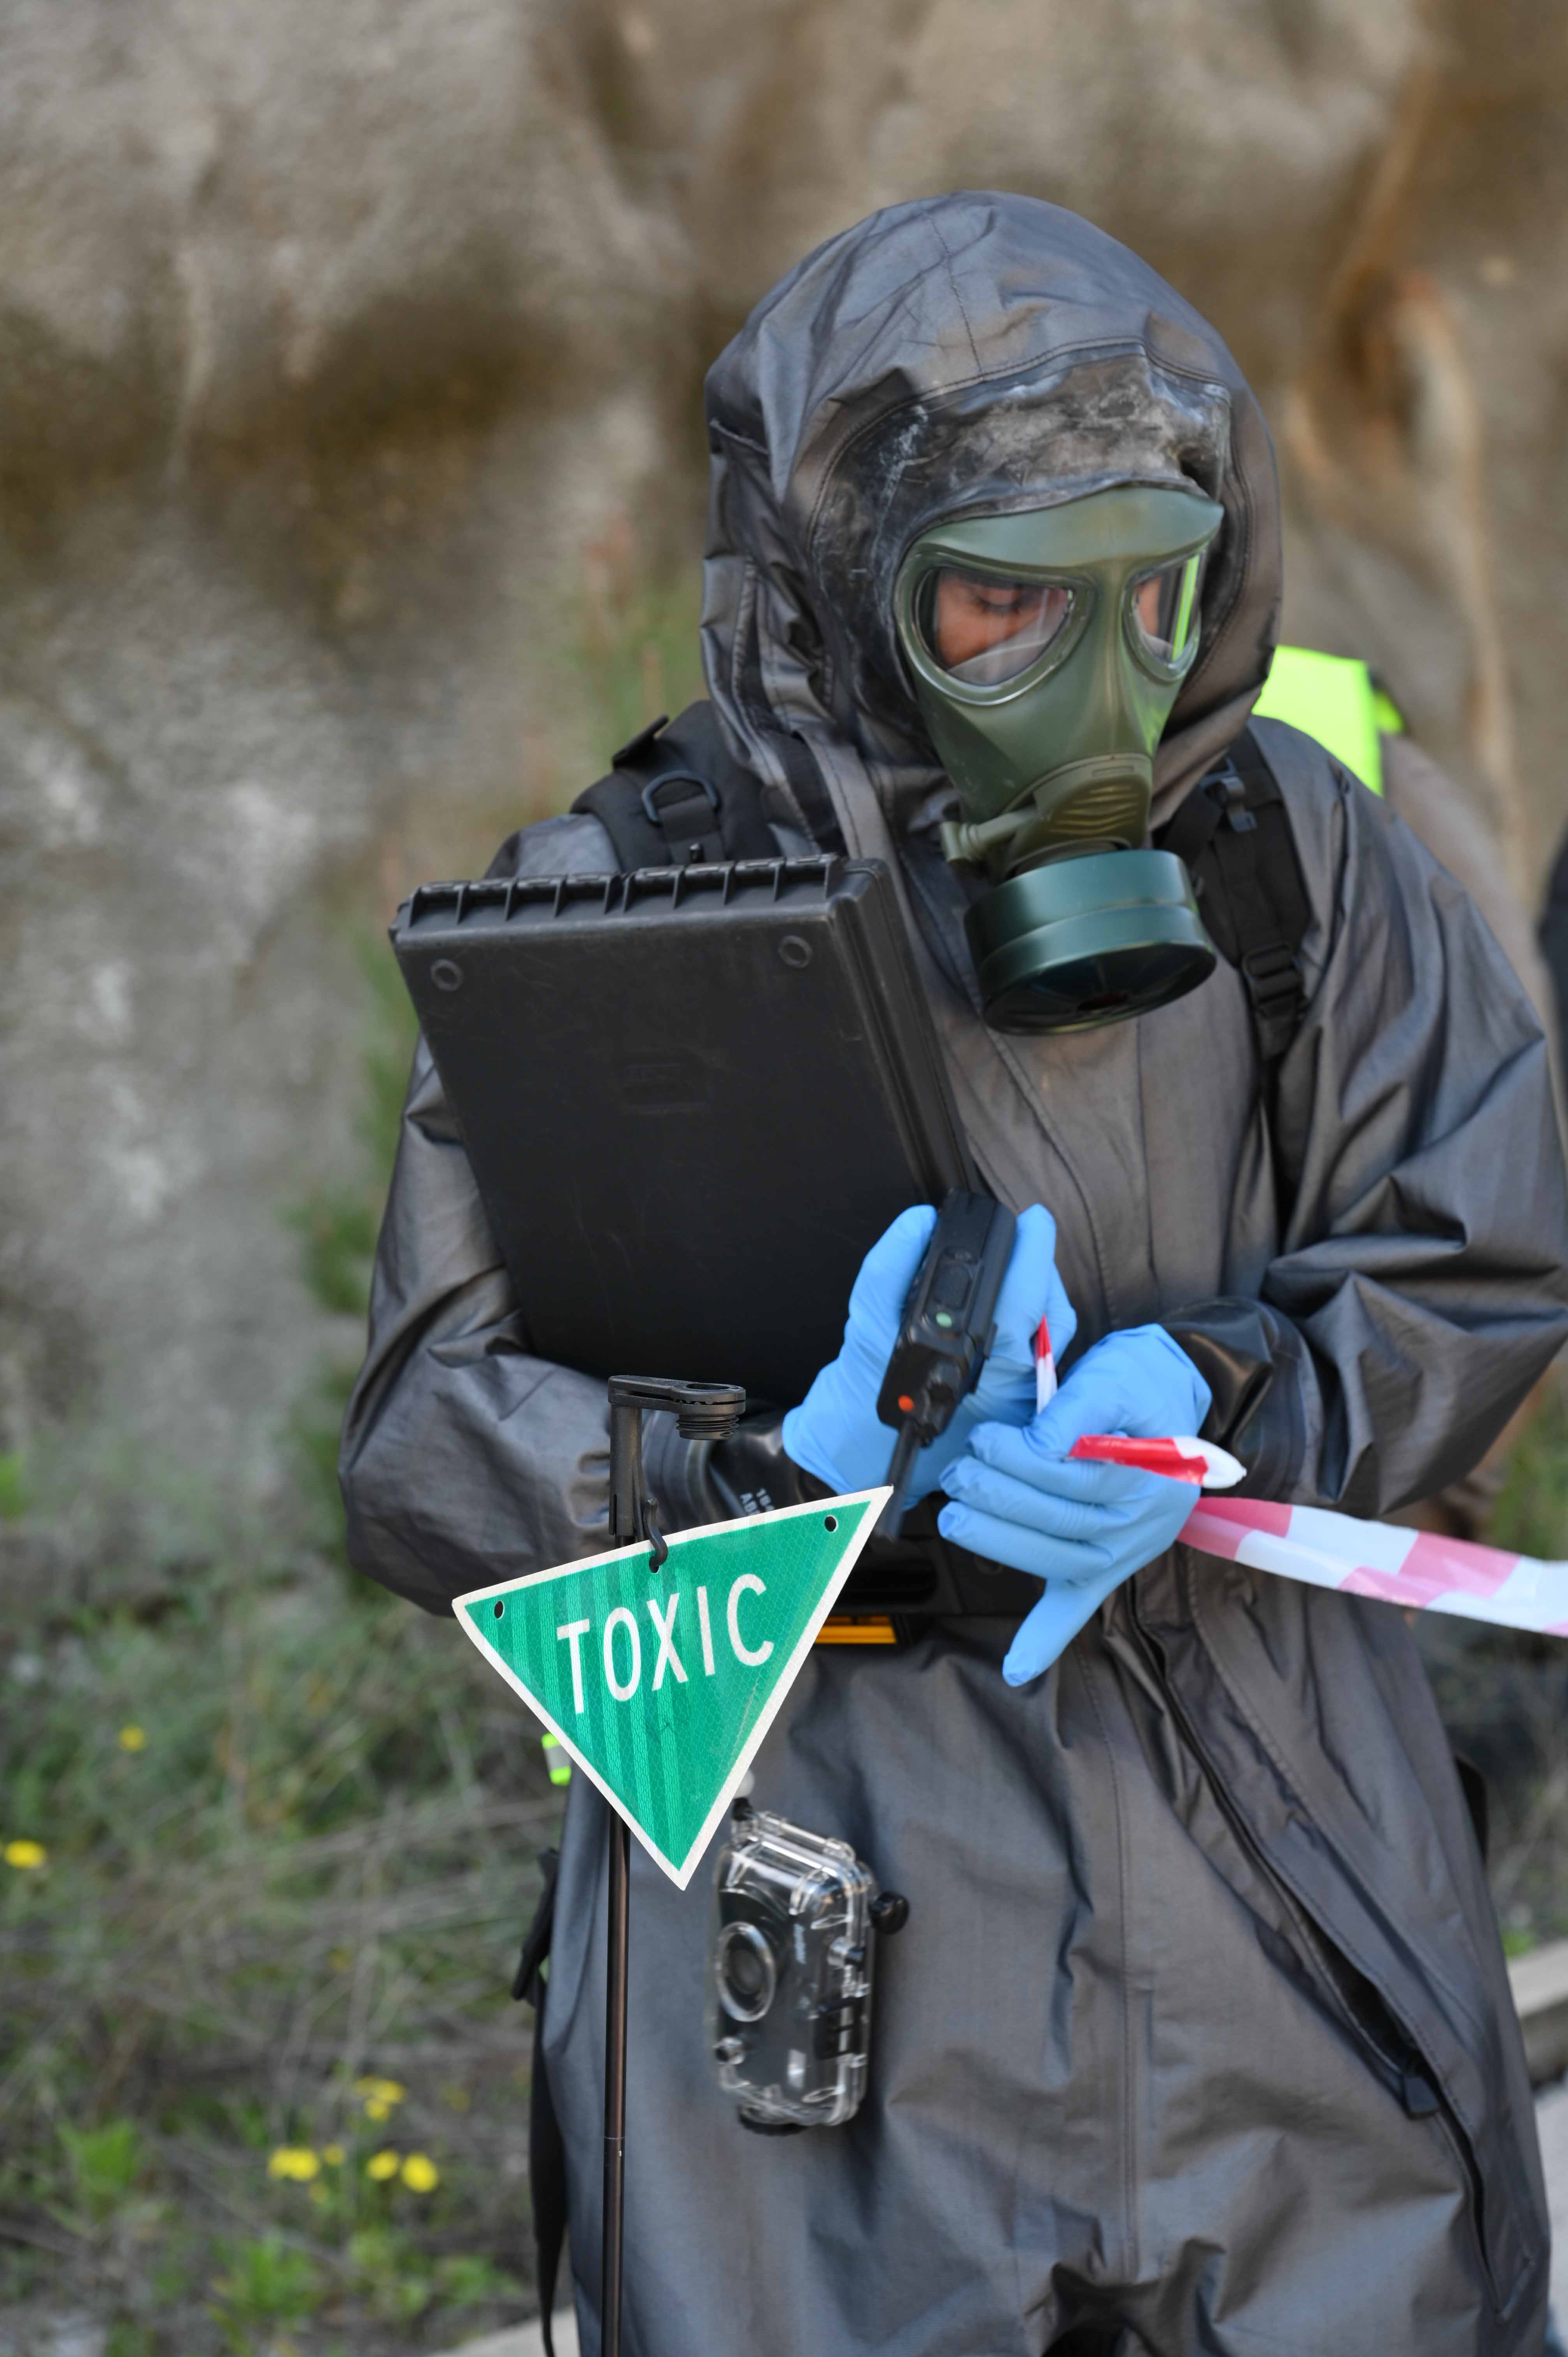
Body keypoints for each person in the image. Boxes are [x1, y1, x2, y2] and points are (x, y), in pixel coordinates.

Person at [341, 196, 1568, 2355]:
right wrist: (751, 1485)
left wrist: (1232, 1405)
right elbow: (427, 1438)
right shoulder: (625, 896)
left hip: (1279, 1882)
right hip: (825, 1941)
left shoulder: (1292, 854)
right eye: (999, 606)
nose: (1092, 684)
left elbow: (1477, 1249)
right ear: (842, 577)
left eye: (1147, 597)